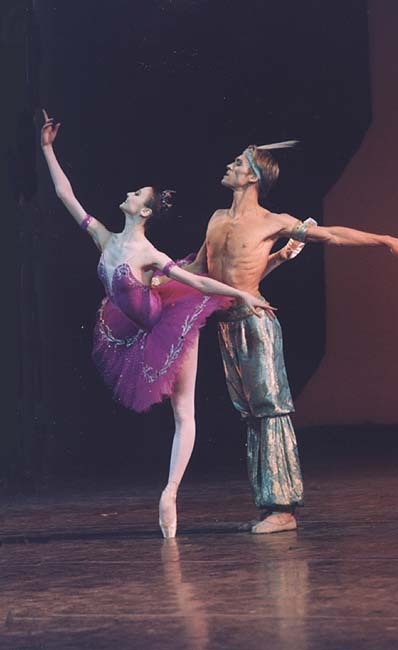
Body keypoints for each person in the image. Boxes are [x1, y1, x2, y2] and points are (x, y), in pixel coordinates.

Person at [40, 111, 275, 538]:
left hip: (173, 320)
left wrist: (241, 294)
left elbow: (197, 281)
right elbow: (64, 194)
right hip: (136, 328)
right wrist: (47, 149)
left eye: (135, 193)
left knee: (184, 413)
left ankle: (170, 494)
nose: (127, 194)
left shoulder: (148, 254)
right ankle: (169, 493)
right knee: (177, 412)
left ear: (144, 210)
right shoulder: (105, 238)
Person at [186, 142, 398, 534]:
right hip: (225, 324)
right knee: (251, 415)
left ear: (252, 177)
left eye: (237, 163)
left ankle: (283, 509)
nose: (229, 165)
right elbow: (199, 268)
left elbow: (331, 235)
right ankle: (269, 503)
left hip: (256, 322)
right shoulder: (216, 219)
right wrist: (157, 279)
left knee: (272, 409)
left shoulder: (273, 221)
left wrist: (385, 239)